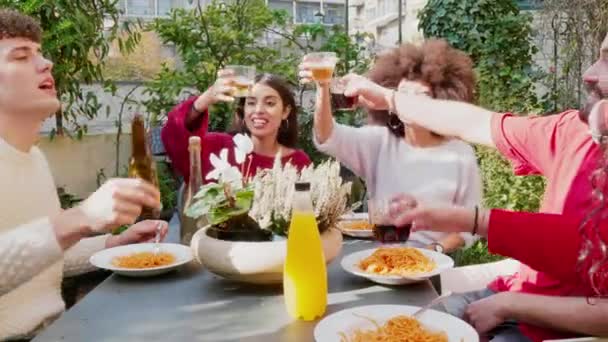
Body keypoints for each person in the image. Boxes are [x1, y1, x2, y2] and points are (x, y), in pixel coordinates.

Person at [340, 32, 608, 342]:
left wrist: (511, 305)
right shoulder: (573, 130)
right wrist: (389, 99)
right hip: (506, 293)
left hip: (552, 330)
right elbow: (472, 122)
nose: (589, 73)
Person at [0, 10, 167, 340]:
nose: (46, 63)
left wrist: (114, 243)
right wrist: (78, 218)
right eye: (21, 55)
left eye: (40, 53)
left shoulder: (34, 160)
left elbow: (45, 258)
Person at [299, 39, 481, 253]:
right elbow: (327, 136)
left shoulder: (461, 154)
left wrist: (435, 250)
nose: (409, 103)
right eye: (402, 94)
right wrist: (323, 86)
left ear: (441, 100)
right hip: (380, 254)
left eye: (421, 96)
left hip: (434, 262)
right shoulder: (379, 142)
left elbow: (470, 225)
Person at [162, 71, 311, 186]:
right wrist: (204, 100)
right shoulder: (218, 147)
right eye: (251, 103)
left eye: (270, 103)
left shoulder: (298, 162)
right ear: (244, 110)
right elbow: (173, 139)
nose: (259, 110)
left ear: (285, 111)